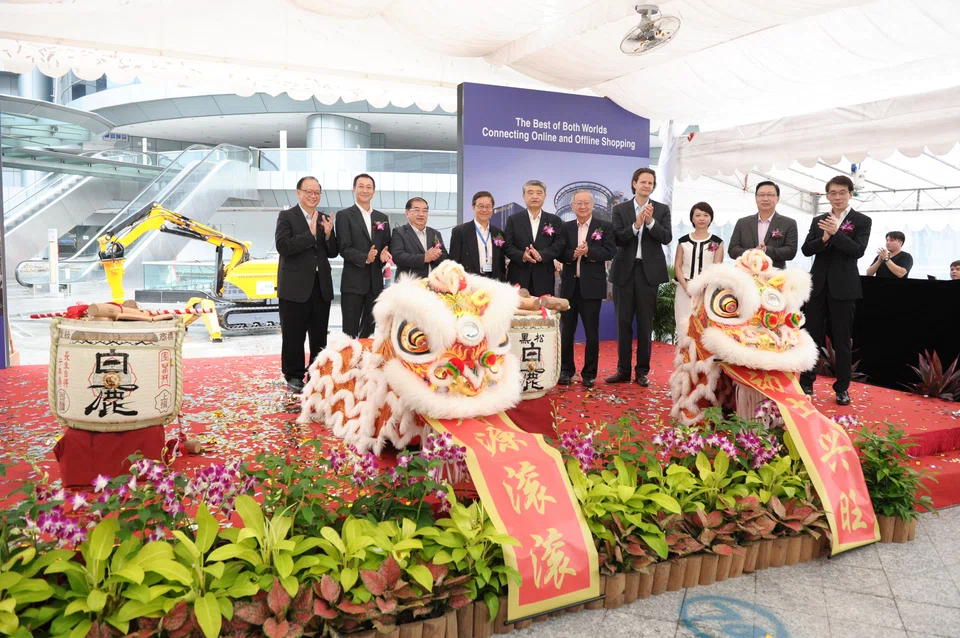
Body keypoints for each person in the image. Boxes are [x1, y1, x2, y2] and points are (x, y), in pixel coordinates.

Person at [799, 175, 872, 405]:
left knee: (842, 341)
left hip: (845, 288)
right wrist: (824, 238)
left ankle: (842, 388)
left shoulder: (862, 220)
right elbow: (806, 249)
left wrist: (836, 234)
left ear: (850, 194)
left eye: (842, 192)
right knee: (811, 337)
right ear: (827, 196)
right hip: (818, 286)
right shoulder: (819, 220)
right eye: (833, 193)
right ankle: (806, 383)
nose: (837, 197)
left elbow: (857, 251)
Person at [607, 167, 672, 387]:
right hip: (624, 272)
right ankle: (623, 371)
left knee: (645, 324)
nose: (646, 186)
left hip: (648, 274)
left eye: (650, 183)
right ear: (634, 184)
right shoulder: (620, 209)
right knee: (623, 323)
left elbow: (666, 237)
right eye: (643, 182)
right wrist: (636, 225)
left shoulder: (661, 209)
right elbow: (617, 238)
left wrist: (651, 222)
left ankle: (642, 372)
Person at [275, 176, 338, 393]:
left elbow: (332, 252)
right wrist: (309, 235)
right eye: (308, 192)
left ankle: (316, 373)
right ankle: (293, 375)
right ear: (298, 193)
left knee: (319, 336)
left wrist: (328, 235)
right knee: (293, 335)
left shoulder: (323, 218)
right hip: (294, 287)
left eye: (316, 192)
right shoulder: (286, 216)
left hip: (321, 286)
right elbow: (283, 246)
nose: (313, 196)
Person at [557, 191, 616, 388]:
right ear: (572, 206)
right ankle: (566, 370)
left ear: (592, 205)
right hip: (569, 288)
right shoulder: (565, 228)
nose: (582, 207)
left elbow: (610, 251)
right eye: (579, 203)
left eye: (586, 203)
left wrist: (589, 251)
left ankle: (589, 373)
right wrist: (572, 255)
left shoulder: (604, 226)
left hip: (592, 288)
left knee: (592, 333)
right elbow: (559, 252)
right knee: (566, 332)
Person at [335, 173, 391, 338]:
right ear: (354, 189)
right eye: (361, 186)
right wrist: (364, 258)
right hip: (353, 283)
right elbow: (343, 248)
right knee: (349, 332)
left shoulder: (381, 218)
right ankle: (349, 356)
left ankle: (365, 356)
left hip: (375, 284)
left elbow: (387, 244)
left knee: (368, 332)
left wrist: (385, 253)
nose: (365, 190)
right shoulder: (344, 215)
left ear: (373, 191)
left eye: (369, 187)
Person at [504, 180, 565, 296]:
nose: (535, 196)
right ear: (524, 196)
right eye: (530, 193)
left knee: (544, 306)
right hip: (518, 275)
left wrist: (541, 255)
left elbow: (559, 244)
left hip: (544, 276)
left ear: (545, 196)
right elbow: (507, 245)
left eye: (539, 193)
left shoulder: (554, 220)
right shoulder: (513, 219)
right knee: (518, 307)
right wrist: (522, 255)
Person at [674, 202, 723, 335]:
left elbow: (716, 267)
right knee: (683, 326)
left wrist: (703, 288)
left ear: (711, 218)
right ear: (692, 219)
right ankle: (683, 349)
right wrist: (687, 288)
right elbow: (677, 266)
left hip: (707, 290)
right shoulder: (683, 241)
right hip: (684, 289)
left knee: (704, 327)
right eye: (698, 215)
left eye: (706, 215)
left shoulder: (717, 242)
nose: (702, 218)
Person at [727, 181, 798, 269]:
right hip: (746, 273)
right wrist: (752, 252)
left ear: (777, 198)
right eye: (761, 195)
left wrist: (766, 250)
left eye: (770, 195)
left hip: (775, 274)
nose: (765, 198)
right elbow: (732, 250)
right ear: (756, 198)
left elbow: (791, 252)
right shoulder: (742, 223)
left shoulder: (789, 223)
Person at [449, 191, 506, 281]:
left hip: (494, 282)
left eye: (488, 206)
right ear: (473, 207)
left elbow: (501, 263)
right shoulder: (460, 232)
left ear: (492, 209)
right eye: (480, 206)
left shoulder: (498, 233)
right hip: (469, 282)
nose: (484, 210)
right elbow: (454, 262)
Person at [389, 197, 448, 279]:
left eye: (425, 211)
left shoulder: (435, 233)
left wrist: (436, 256)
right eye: (416, 210)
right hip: (409, 283)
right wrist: (424, 258)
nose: (421, 214)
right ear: (407, 213)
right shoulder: (399, 232)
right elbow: (398, 257)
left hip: (433, 283)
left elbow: (445, 256)